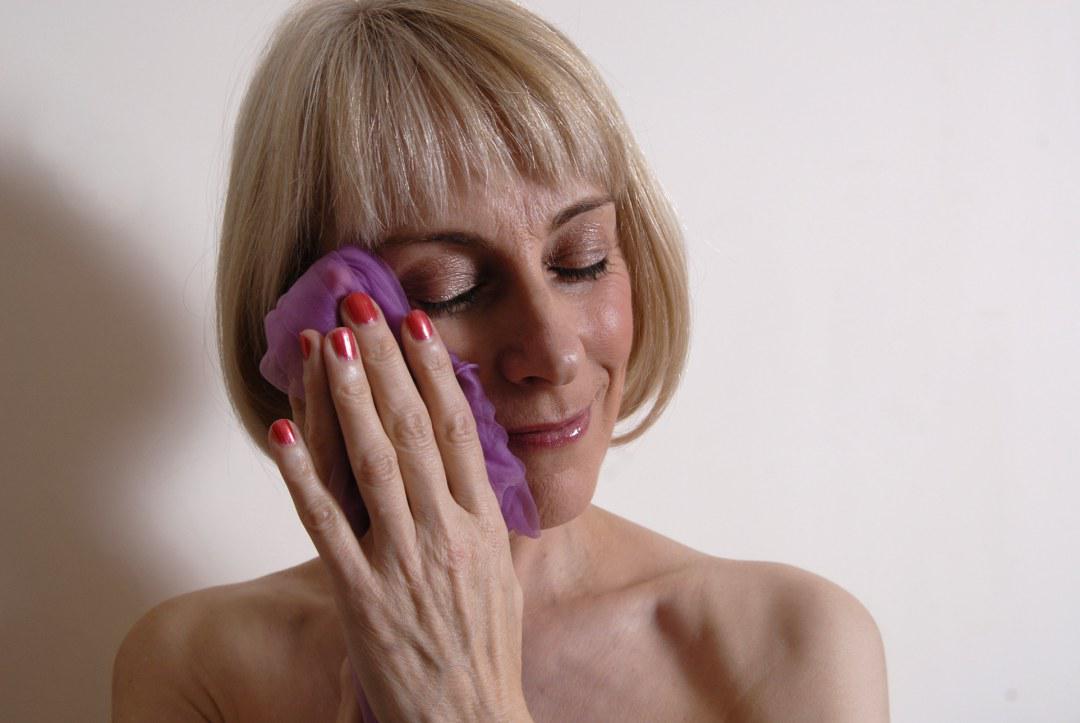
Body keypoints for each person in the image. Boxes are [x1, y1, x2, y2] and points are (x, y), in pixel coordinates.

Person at [112, 0, 889, 720]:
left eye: (582, 259)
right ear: (306, 329)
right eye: (450, 289)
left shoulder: (793, 645)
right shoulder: (199, 668)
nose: (553, 352)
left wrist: (464, 700)